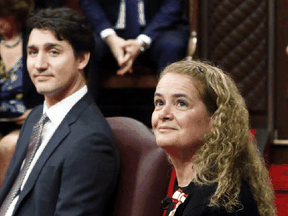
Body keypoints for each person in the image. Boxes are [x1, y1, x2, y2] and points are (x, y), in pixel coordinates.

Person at [0, 7, 119, 216]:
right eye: (32, 52)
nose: (39, 65)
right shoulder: (36, 116)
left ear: (82, 59)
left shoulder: (91, 141)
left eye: (53, 52)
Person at [151, 60, 276, 216]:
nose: (163, 114)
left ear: (216, 119)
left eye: (181, 103)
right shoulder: (201, 185)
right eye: (159, 102)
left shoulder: (213, 203)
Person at [79, 0, 190, 100]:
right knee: (86, 46)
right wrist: (111, 38)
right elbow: (89, 3)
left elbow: (172, 6)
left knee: (172, 46)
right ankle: (84, 117)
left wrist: (141, 42)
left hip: (156, 30)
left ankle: (169, 113)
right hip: (108, 31)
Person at [0, 0, 43, 188]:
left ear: (15, 14)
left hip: (25, 119)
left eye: (2, 15)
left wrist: (35, 112)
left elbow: (52, 86)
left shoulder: (35, 44)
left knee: (9, 144)